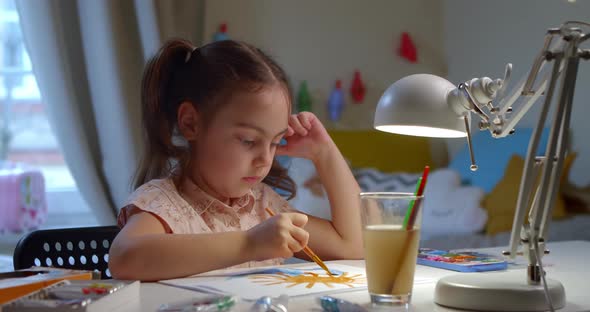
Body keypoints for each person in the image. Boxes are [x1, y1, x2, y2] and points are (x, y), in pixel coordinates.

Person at [108, 39, 363, 281]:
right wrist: (249, 243)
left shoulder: (263, 205)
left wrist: (325, 154)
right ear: (190, 123)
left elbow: (352, 246)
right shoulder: (164, 203)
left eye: (275, 142)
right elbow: (124, 258)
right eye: (249, 141)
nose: (265, 160)